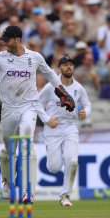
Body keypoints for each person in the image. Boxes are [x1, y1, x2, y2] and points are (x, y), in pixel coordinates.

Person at [0, 25, 75, 203]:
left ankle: (27, 191)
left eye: (7, 40)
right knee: (9, 151)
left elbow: (50, 74)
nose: (5, 43)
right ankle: (7, 182)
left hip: (28, 106)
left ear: (17, 39)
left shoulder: (35, 57)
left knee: (26, 143)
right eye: (3, 40)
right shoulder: (0, 58)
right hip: (8, 109)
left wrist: (63, 93)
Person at [38, 55, 91, 206]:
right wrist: (47, 119)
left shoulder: (78, 88)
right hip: (53, 129)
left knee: (72, 161)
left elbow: (87, 104)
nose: (69, 67)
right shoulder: (50, 87)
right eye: (65, 65)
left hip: (70, 128)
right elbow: (37, 105)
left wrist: (85, 113)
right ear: (59, 68)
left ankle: (65, 195)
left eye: (71, 65)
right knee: (54, 168)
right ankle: (54, 160)